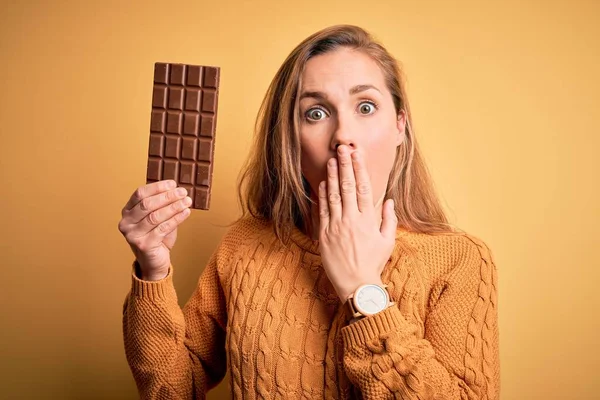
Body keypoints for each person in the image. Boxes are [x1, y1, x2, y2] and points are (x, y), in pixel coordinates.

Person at [119, 25, 500, 399]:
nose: (342, 136)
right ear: (290, 139)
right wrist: (153, 271)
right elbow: (172, 391)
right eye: (316, 113)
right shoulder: (243, 246)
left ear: (400, 125)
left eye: (365, 107)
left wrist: (362, 289)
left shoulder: (460, 260)